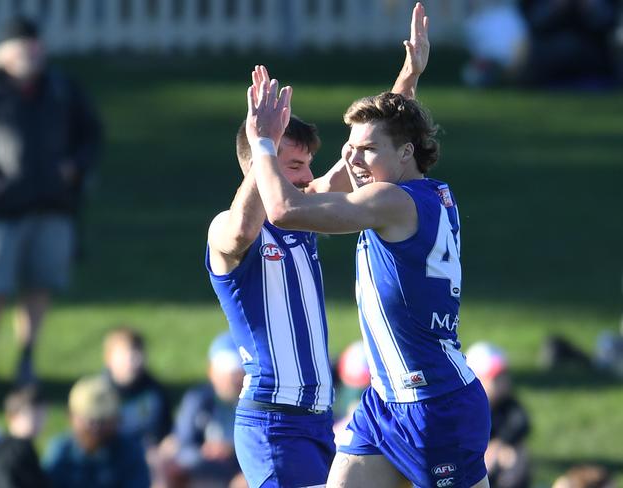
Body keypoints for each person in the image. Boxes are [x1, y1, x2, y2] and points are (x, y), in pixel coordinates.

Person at [244, 15, 489, 487]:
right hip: (385, 403)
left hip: (434, 405)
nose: (351, 160)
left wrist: (264, 145)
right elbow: (391, 136)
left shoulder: (389, 201)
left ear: (404, 154)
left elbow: (285, 209)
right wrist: (409, 78)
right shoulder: (413, 188)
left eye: (365, 151)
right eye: (348, 147)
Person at [206, 4, 430, 486]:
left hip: (318, 420)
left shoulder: (304, 210)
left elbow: (373, 150)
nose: (308, 177)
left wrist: (408, 77)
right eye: (294, 166)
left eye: (309, 165)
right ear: (260, 164)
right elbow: (243, 230)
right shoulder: (226, 229)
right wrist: (262, 141)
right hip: (272, 422)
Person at [0, 16, 102, 385]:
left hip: (54, 204)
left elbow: (90, 134)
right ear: (4, 53)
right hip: (4, 205)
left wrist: (76, 167)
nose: (32, 53)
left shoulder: (61, 88)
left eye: (35, 45)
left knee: (39, 284)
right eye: (23, 46)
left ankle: (26, 357)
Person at [153, 331, 246, 488]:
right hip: (203, 470)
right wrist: (204, 452)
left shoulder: (256, 406)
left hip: (240, 472)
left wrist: (231, 451)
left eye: (234, 373)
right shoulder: (198, 398)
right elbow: (182, 442)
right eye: (223, 372)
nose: (229, 380)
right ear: (211, 371)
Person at [42, 375, 150, 488]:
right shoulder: (61, 452)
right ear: (72, 417)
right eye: (89, 421)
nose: (95, 428)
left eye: (102, 421)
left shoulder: (130, 453)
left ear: (116, 420)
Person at [466, 342, 531, 488]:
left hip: (500, 463)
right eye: (495, 379)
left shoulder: (507, 404)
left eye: (504, 376)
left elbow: (521, 423)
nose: (503, 383)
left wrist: (499, 446)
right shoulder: (467, 411)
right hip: (471, 468)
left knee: (518, 453)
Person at [517, 0, 620, 88]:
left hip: (595, 69)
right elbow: (533, 21)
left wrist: (589, 5)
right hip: (548, 70)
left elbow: (609, 21)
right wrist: (555, 6)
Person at [103, 326, 173, 451]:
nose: (135, 361)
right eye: (126, 354)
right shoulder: (97, 392)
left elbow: (167, 435)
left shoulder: (156, 393)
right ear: (109, 358)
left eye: (138, 353)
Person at [0, 385, 49, 488]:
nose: (38, 422)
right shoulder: (11, 453)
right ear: (12, 416)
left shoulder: (26, 447)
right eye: (32, 415)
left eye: (41, 416)